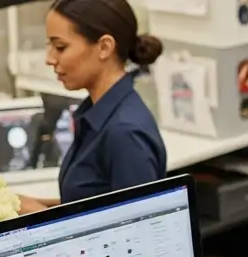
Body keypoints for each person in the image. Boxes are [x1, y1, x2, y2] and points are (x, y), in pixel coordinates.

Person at [18, 0, 166, 212]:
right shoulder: (96, 114)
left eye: (60, 47)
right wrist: (18, 205)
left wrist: (36, 214)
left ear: (104, 47)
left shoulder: (124, 133)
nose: (49, 59)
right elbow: (93, 204)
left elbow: (134, 232)